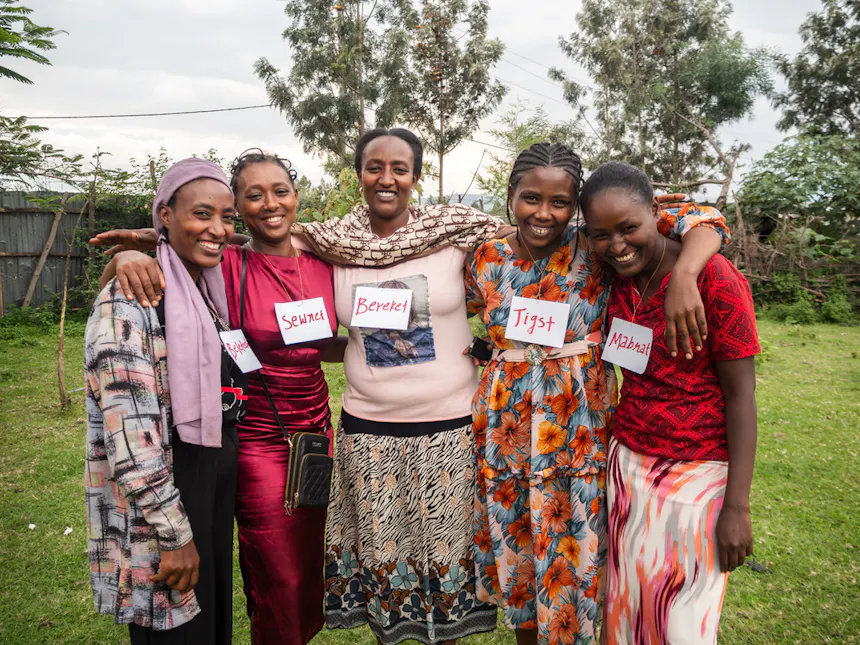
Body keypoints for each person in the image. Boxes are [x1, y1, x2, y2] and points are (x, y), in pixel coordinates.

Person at [465, 143, 730, 645]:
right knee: (521, 562)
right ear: (511, 195)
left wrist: (686, 273)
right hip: (505, 434)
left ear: (575, 208)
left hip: (577, 431)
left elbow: (705, 219)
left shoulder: (594, 245)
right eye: (531, 199)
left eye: (560, 203)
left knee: (576, 566)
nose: (544, 213)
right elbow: (467, 307)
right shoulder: (486, 257)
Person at [92, 150, 340, 645]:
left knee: (255, 578)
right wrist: (126, 257)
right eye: (253, 196)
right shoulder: (216, 268)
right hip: (247, 436)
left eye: (281, 191)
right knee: (267, 574)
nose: (270, 204)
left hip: (302, 431)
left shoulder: (313, 262)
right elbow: (131, 424)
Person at [579, 161, 758, 644]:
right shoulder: (615, 278)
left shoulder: (714, 279)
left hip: (697, 478)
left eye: (628, 228)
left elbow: (742, 397)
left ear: (658, 215)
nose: (617, 245)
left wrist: (737, 507)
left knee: (683, 623)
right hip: (627, 469)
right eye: (601, 235)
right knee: (627, 611)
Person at [84, 158, 246, 645]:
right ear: (166, 215)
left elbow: (253, 238)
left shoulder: (201, 288)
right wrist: (174, 534)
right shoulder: (130, 300)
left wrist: (146, 241)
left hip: (208, 480)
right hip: (166, 495)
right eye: (202, 214)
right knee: (174, 624)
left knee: (205, 622)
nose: (218, 229)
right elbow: (131, 436)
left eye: (227, 217)